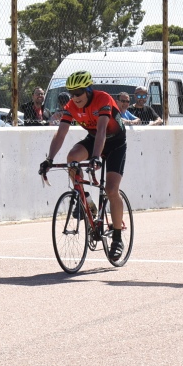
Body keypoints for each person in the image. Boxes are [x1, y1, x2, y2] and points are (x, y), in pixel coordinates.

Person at [39, 71, 128, 261]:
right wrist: (49, 159)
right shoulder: (70, 105)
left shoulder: (103, 99)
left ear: (88, 90)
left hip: (115, 144)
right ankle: (85, 200)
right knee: (72, 157)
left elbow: (103, 129)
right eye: (71, 93)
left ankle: (118, 239)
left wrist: (96, 156)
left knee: (111, 189)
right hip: (94, 139)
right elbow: (61, 133)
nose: (75, 97)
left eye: (79, 92)